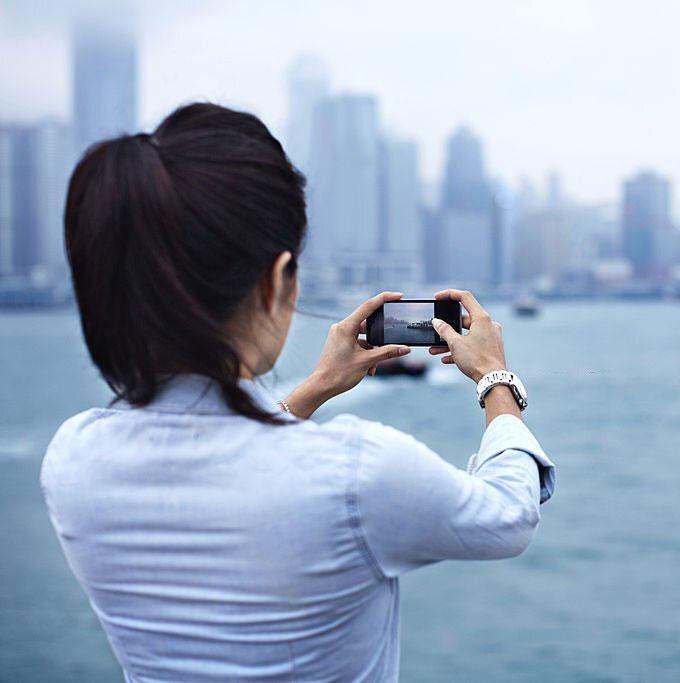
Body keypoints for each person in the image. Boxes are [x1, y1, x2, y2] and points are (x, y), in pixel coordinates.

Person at [40, 103, 555, 682]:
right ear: (277, 279)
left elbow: (228, 466)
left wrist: (312, 390)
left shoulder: (73, 457)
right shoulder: (357, 473)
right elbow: (509, 517)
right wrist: (495, 379)